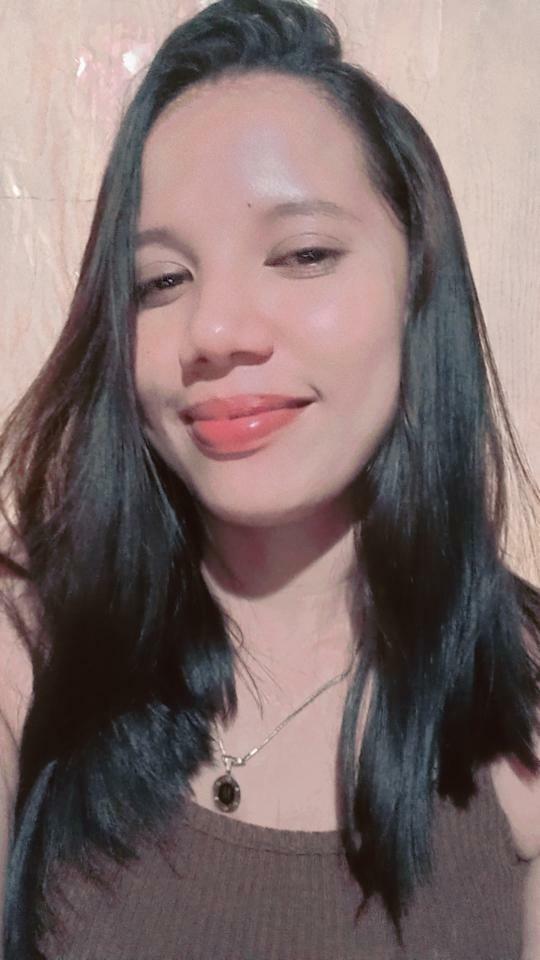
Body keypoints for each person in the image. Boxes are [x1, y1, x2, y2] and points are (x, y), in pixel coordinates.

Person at [1, 0, 539, 956]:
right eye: (161, 281)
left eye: (303, 254)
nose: (213, 332)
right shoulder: (29, 640)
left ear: (418, 285)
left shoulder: (522, 704)